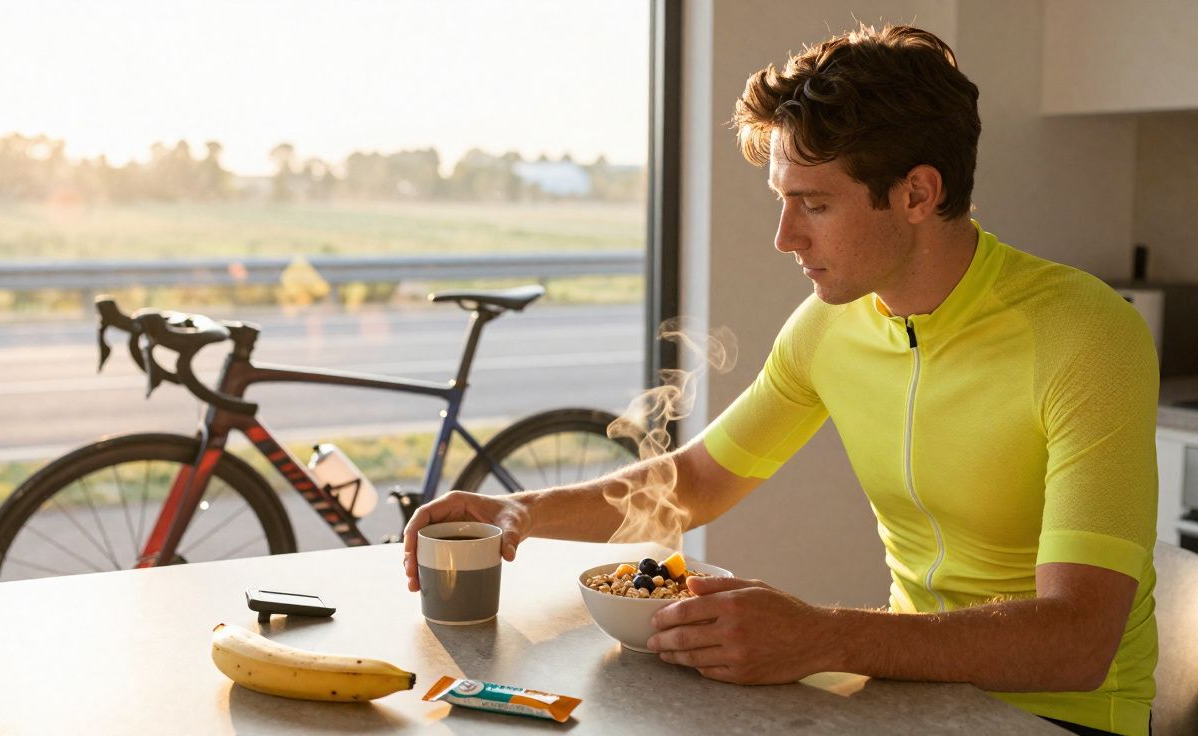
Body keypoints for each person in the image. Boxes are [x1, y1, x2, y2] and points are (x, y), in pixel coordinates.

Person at [403, 24, 1157, 736]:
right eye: (782, 200)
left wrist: (820, 636)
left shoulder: (1084, 335)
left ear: (918, 195)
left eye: (815, 205)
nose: (784, 237)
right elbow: (696, 480)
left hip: (1060, 718)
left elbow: (1077, 641)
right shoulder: (831, 325)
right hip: (903, 698)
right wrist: (518, 511)